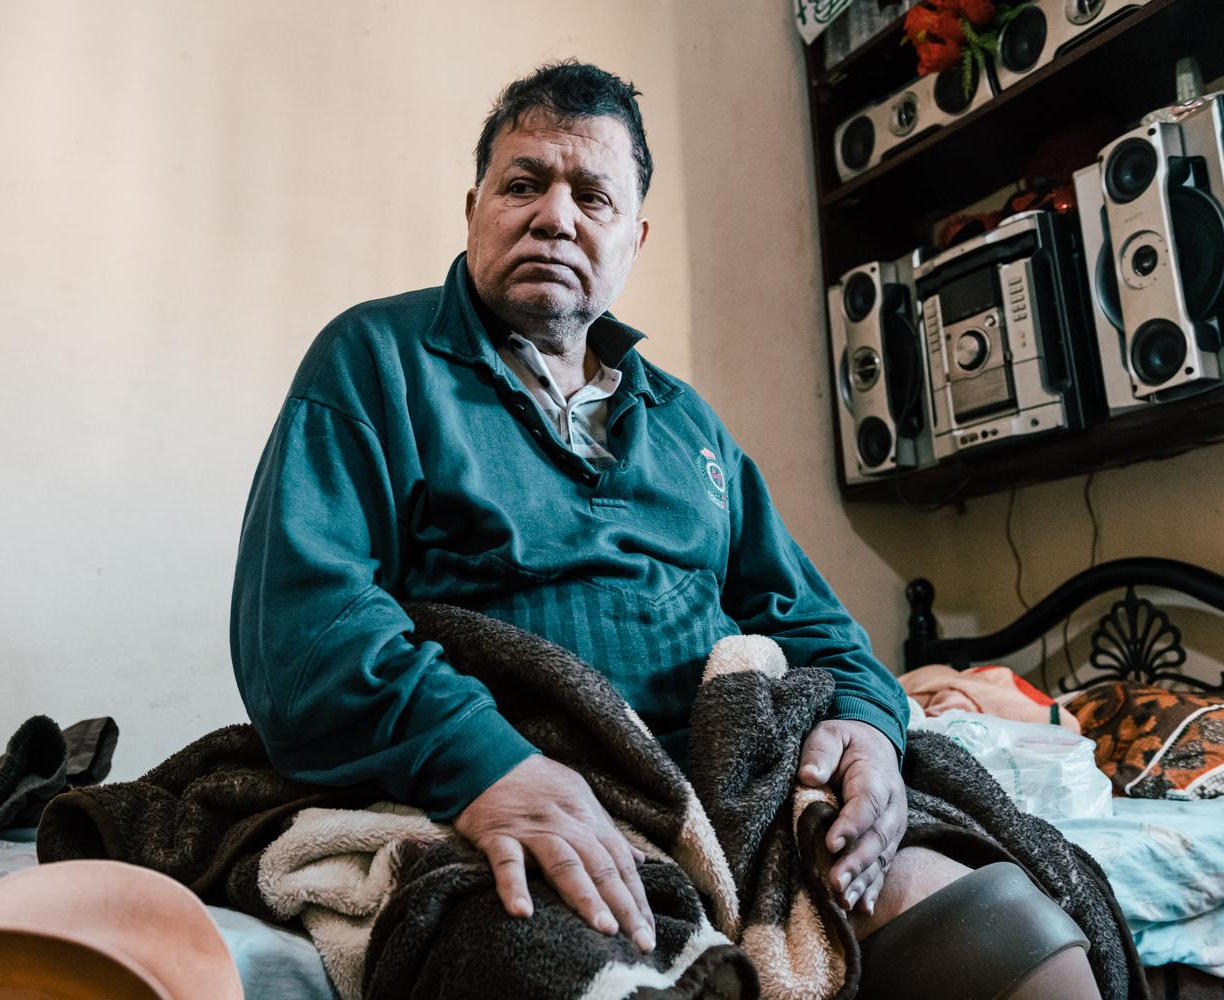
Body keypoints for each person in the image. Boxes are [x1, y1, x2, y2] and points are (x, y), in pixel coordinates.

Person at [231, 61, 1100, 998]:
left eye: (592, 197)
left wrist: (876, 733)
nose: (555, 216)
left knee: (1011, 932)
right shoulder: (374, 361)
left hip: (734, 788)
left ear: (632, 238)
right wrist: (488, 767)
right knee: (584, 966)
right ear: (475, 207)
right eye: (523, 184)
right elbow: (305, 625)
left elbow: (814, 625)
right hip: (507, 777)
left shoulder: (688, 425)